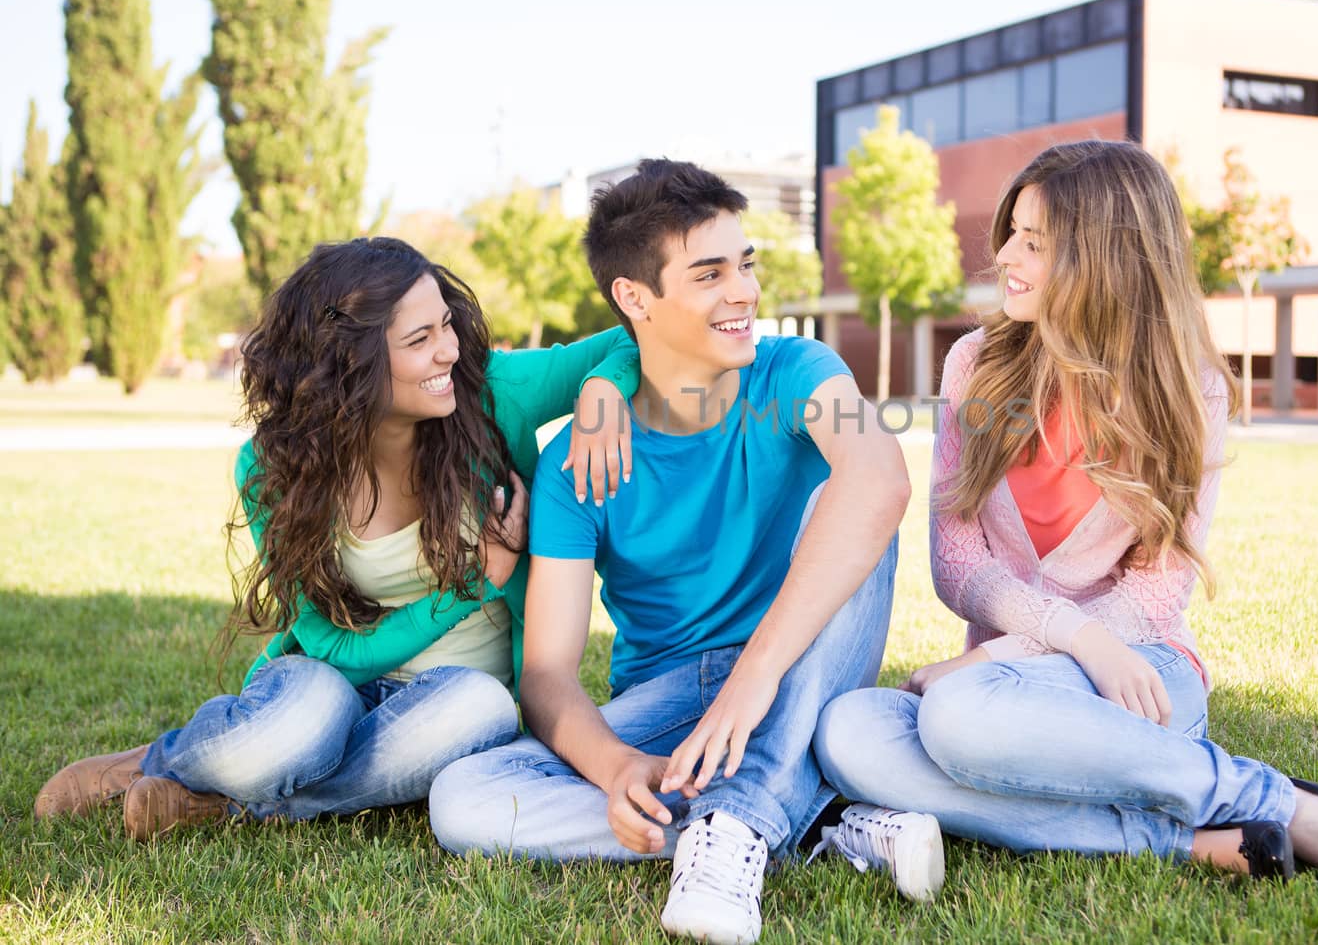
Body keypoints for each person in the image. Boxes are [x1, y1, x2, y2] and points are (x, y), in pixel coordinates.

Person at [814, 141, 1318, 885]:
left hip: (1136, 680)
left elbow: (1158, 592)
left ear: (1105, 257)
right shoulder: (974, 363)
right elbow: (956, 563)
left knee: (957, 716)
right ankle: (1196, 838)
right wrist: (1064, 639)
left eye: (1035, 242)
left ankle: (1277, 801)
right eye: (1011, 233)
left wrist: (1006, 654)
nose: (1004, 256)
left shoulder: (1188, 386)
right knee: (849, 731)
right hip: (1011, 701)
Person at [429, 160, 933, 945]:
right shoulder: (575, 467)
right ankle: (820, 817)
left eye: (745, 264)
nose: (744, 292)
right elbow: (549, 674)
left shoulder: (796, 373)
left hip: (798, 663)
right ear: (636, 298)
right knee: (467, 798)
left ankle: (733, 825)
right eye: (709, 273)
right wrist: (616, 768)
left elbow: (880, 484)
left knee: (857, 501)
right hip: (672, 697)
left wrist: (754, 679)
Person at [34, 237, 639, 841]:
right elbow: (329, 647)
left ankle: (229, 802)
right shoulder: (274, 469)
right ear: (349, 363)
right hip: (331, 684)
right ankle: (157, 761)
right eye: (419, 340)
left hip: (450, 701)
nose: (449, 351)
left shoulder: (492, 395)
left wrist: (602, 389)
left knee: (479, 709)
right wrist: (479, 578)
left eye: (446, 326)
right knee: (300, 722)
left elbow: (629, 338)